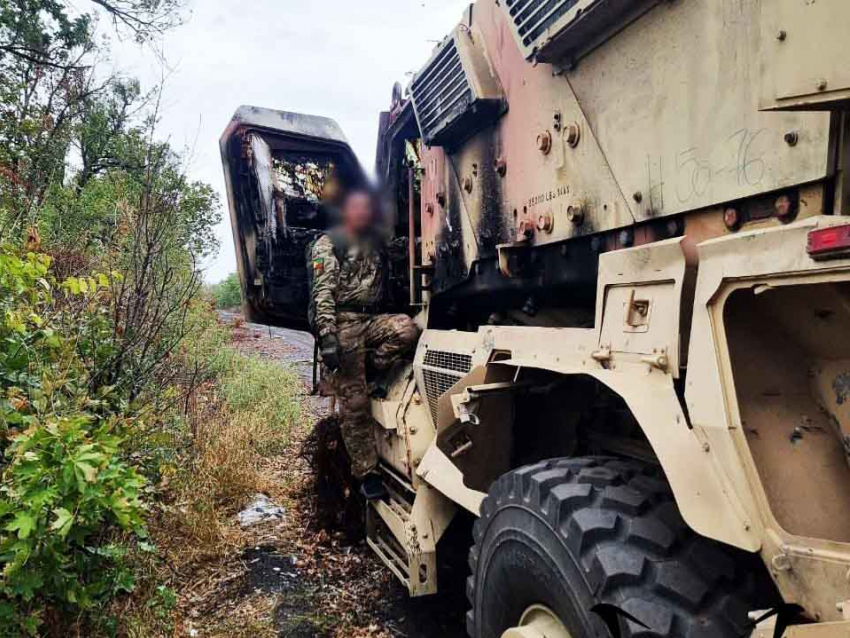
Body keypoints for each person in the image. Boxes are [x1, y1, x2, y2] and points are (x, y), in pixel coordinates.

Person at [310, 189, 420, 499]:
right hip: (343, 322)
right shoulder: (330, 243)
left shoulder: (375, 243)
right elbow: (323, 292)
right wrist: (328, 335)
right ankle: (366, 472)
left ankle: (365, 369)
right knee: (355, 404)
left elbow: (404, 252)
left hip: (371, 319)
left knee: (406, 330)